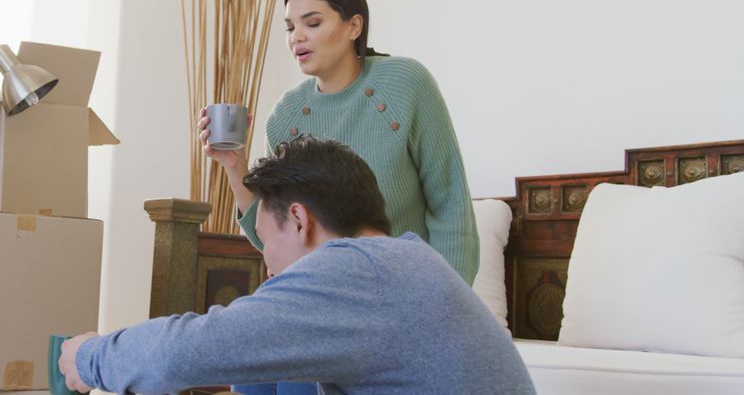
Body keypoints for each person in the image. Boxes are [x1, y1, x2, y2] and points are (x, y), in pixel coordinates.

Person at [58, 136, 535, 394]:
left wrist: (90, 356)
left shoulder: (357, 273)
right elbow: (245, 352)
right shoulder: (402, 261)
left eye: (264, 240)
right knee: (269, 366)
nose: (265, 262)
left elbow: (181, 352)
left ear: (300, 220)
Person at [200, 0, 480, 394]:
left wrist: (441, 308)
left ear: (354, 26)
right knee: (251, 369)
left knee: (301, 377)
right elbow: (281, 239)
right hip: (320, 296)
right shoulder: (287, 116)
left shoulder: (405, 84)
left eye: (312, 23)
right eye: (291, 28)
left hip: (397, 294)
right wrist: (233, 164)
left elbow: (450, 202)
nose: (297, 38)